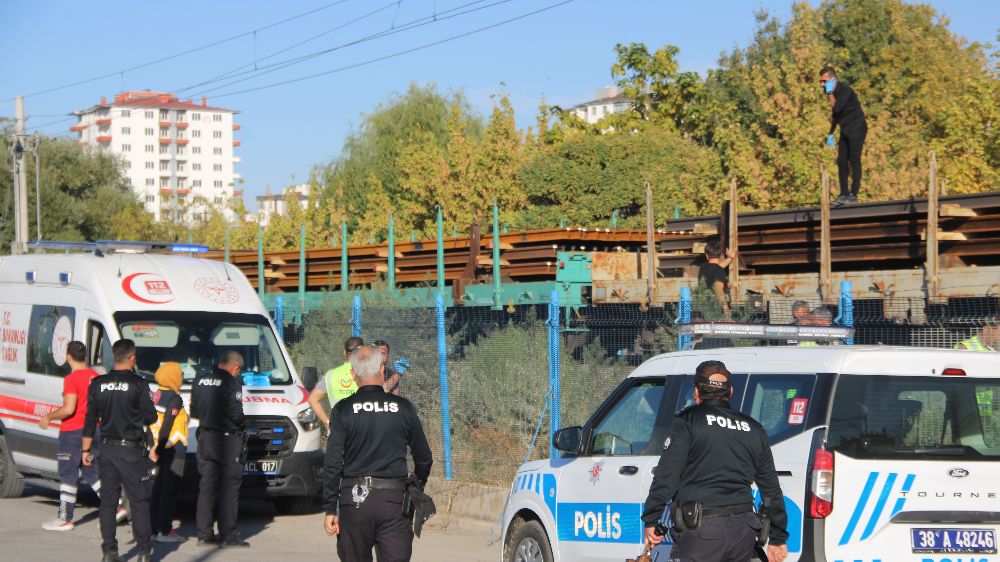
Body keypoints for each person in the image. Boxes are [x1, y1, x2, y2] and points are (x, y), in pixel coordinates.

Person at [643, 360, 789, 562]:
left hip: (702, 532)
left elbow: (667, 476)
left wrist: (651, 518)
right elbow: (771, 489)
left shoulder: (687, 422)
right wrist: (777, 537)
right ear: (730, 391)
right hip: (744, 532)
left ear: (696, 392)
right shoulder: (754, 429)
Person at [322, 345, 434, 562]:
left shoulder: (342, 410)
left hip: (353, 502)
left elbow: (333, 462)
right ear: (382, 370)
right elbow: (424, 457)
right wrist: (416, 485)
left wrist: (330, 508)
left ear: (353, 374)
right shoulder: (403, 407)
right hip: (393, 502)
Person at [82, 339, 158, 562]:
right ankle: (144, 552)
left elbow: (89, 420)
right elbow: (151, 416)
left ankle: (109, 552)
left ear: (114, 357)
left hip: (106, 448)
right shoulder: (138, 383)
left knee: (108, 502)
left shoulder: (97, 383)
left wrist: (85, 450)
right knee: (139, 501)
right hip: (131, 450)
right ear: (132, 358)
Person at [39, 341, 108, 531]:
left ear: (68, 356)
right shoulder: (96, 377)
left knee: (68, 473)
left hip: (73, 432)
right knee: (91, 471)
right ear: (85, 356)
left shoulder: (72, 378)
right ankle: (115, 505)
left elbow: (69, 409)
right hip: (94, 430)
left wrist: (48, 417)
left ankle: (64, 518)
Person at [192, 351, 249, 548]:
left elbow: (195, 411)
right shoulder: (232, 383)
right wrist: (245, 424)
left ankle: (204, 534)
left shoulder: (200, 380)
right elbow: (236, 415)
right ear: (236, 368)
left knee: (206, 487)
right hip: (226, 441)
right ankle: (228, 534)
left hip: (206, 438)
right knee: (229, 488)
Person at [149, 362, 189, 543]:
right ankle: (165, 531)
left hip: (160, 446)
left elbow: (148, 422)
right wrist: (158, 448)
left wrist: (153, 446)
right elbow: (168, 426)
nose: (181, 378)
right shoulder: (175, 398)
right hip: (173, 449)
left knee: (158, 489)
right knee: (169, 492)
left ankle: (152, 528)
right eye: (180, 374)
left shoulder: (155, 396)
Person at [820, 66, 868, 206]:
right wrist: (830, 133)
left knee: (854, 160)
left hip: (857, 127)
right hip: (845, 129)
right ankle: (843, 194)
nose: (821, 84)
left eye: (824, 81)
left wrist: (829, 93)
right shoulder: (833, 92)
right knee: (841, 161)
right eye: (820, 81)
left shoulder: (844, 90)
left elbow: (837, 108)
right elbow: (836, 115)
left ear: (832, 79)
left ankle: (853, 194)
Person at [308, 336, 363, 428]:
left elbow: (312, 399)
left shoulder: (330, 375)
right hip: (361, 431)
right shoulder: (368, 374)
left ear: (344, 352)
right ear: (363, 352)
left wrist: (327, 422)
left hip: (338, 430)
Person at [698, 240, 737, 319]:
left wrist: (731, 258)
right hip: (717, 312)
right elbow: (719, 291)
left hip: (704, 308)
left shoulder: (703, 268)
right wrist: (727, 313)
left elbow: (718, 267)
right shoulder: (719, 271)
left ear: (706, 255)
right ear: (720, 255)